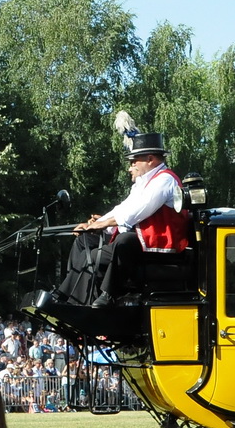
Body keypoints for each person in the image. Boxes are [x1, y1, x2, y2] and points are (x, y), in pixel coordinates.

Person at [51, 117, 190, 307]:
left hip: (159, 246)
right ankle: (68, 293)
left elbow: (134, 212)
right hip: (142, 241)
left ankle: (105, 296)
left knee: (117, 244)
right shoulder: (143, 183)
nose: (130, 167)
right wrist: (95, 225)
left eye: (133, 162)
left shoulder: (164, 180)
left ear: (150, 159)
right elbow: (123, 208)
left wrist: (102, 224)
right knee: (84, 240)